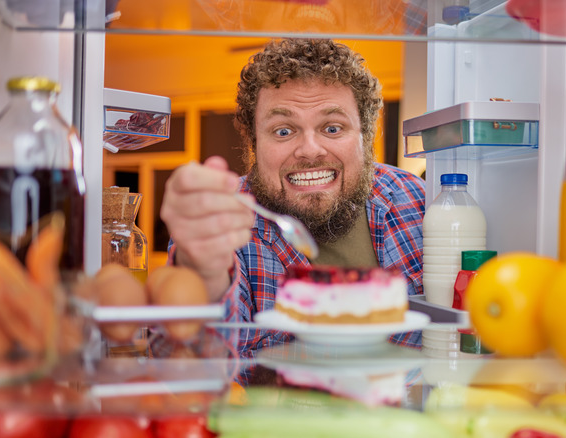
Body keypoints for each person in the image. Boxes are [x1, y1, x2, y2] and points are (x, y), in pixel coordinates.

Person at [160, 38, 425, 358]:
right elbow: (184, 363)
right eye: (284, 131)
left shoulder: (410, 199)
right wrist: (205, 275)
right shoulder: (221, 222)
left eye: (332, 128)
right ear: (254, 143)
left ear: (366, 138)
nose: (310, 150)